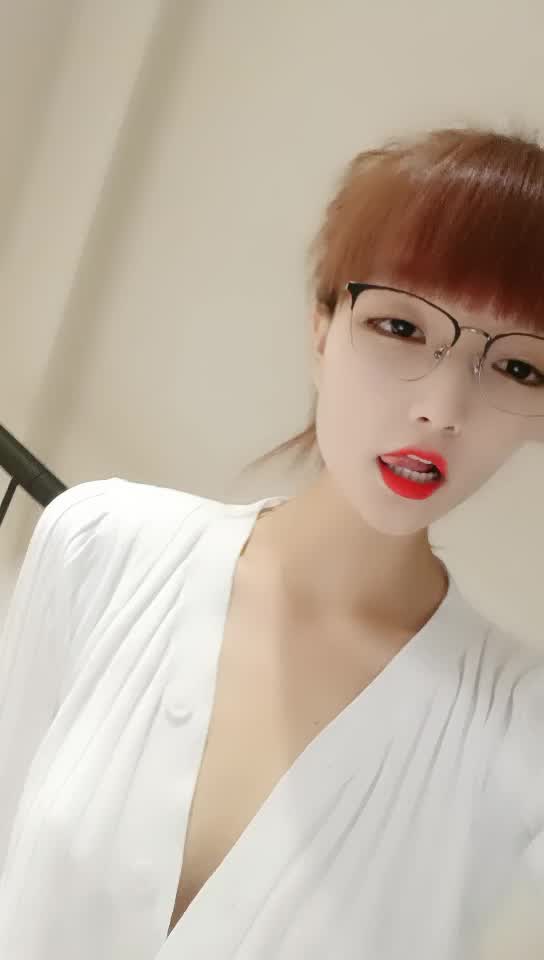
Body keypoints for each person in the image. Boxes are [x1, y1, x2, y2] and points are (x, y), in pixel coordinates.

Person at [1, 126, 544, 960]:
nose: (441, 409)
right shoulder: (99, 544)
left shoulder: (518, 725)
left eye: (518, 367)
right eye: (400, 327)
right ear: (322, 327)